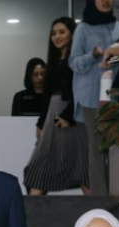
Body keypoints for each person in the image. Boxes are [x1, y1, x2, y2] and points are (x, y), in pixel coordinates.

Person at [23, 19, 87, 195]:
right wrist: (41, 123)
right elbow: (47, 96)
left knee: (82, 165)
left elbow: (82, 91)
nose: (57, 37)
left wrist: (69, 116)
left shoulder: (78, 60)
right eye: (53, 33)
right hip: (54, 116)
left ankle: (98, 209)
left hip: (73, 118)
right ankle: (31, 210)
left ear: (73, 34)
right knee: (39, 165)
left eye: (62, 32)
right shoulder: (54, 62)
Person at [70, 0, 119, 197]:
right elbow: (74, 62)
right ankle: (100, 198)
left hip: (117, 96)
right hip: (91, 96)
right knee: (97, 148)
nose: (106, 1)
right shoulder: (83, 29)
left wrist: (114, 57)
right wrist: (92, 56)